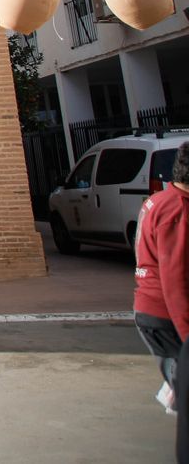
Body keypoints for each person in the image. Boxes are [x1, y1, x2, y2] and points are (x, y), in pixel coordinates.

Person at [135, 141, 189, 462]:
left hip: (151, 309)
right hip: (164, 314)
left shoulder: (158, 201)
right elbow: (176, 280)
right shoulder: (177, 211)